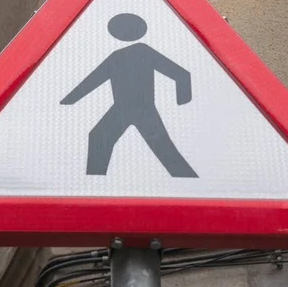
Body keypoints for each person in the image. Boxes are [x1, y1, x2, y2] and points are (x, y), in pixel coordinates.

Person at [61, 13, 198, 177]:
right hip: (121, 108)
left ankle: (187, 178)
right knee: (99, 137)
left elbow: (180, 74)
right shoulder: (116, 57)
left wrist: (183, 100)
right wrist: (68, 100)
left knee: (162, 146)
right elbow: (93, 80)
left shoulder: (143, 51)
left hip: (142, 108)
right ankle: (94, 182)